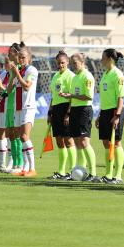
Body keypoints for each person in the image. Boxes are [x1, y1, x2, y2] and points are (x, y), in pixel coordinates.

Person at [60, 53, 98, 182]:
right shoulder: (75, 77)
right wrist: (69, 97)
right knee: (77, 142)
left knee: (84, 142)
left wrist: (71, 96)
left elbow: (88, 96)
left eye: (75, 63)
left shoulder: (87, 76)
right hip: (75, 110)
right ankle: (80, 172)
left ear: (82, 62)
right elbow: (74, 95)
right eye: (72, 63)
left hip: (84, 110)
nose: (73, 65)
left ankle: (93, 173)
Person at [7, 45, 39, 177]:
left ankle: (32, 168)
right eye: (19, 57)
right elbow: (9, 91)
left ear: (29, 58)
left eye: (23, 57)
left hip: (28, 107)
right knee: (21, 137)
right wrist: (13, 75)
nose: (21, 60)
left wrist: (17, 73)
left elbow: (26, 86)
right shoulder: (19, 70)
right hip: (18, 107)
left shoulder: (31, 70)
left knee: (25, 136)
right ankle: (25, 168)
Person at [96, 49, 124, 184]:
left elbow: (121, 97)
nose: (101, 59)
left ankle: (117, 176)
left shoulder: (117, 74)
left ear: (109, 58)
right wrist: (100, 114)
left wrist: (117, 115)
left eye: (102, 57)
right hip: (105, 111)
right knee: (106, 143)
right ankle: (108, 174)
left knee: (116, 143)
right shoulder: (105, 74)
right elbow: (105, 97)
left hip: (115, 111)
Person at [47, 51, 76, 179]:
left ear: (67, 62)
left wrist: (68, 114)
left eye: (62, 62)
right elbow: (53, 97)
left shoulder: (71, 76)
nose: (60, 65)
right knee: (59, 141)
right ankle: (61, 171)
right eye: (58, 63)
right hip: (56, 110)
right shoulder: (55, 77)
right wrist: (50, 112)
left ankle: (73, 171)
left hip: (66, 109)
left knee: (68, 141)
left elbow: (72, 97)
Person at [5, 42, 25, 174]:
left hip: (17, 105)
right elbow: (10, 88)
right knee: (11, 134)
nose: (8, 53)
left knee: (17, 135)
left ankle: (20, 164)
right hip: (10, 104)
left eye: (11, 51)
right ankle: (14, 163)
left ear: (17, 53)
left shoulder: (21, 68)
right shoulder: (12, 69)